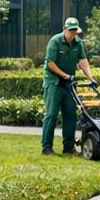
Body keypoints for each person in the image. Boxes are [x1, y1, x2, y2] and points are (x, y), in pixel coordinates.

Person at [42, 16, 93, 156]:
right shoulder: (55, 41)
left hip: (69, 84)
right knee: (51, 114)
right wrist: (64, 75)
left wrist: (91, 77)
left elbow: (83, 61)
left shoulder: (78, 43)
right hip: (54, 82)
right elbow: (50, 63)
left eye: (75, 31)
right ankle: (46, 147)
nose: (73, 33)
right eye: (70, 30)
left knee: (70, 114)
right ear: (65, 29)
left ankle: (69, 147)